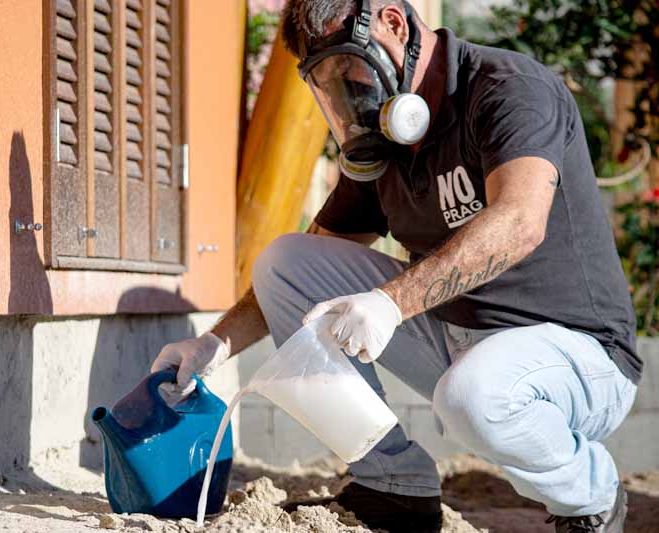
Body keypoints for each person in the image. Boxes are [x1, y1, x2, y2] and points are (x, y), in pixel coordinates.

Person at [152, 1, 642, 531]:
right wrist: (214, 344)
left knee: (473, 395)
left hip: (579, 357)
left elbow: (521, 221)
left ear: (392, 22)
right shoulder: (384, 141)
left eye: (350, 68)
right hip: (463, 344)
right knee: (285, 262)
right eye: (329, 82)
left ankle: (591, 498)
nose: (350, 95)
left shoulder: (507, 87)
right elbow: (300, 274)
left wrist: (390, 303)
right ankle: (394, 485)